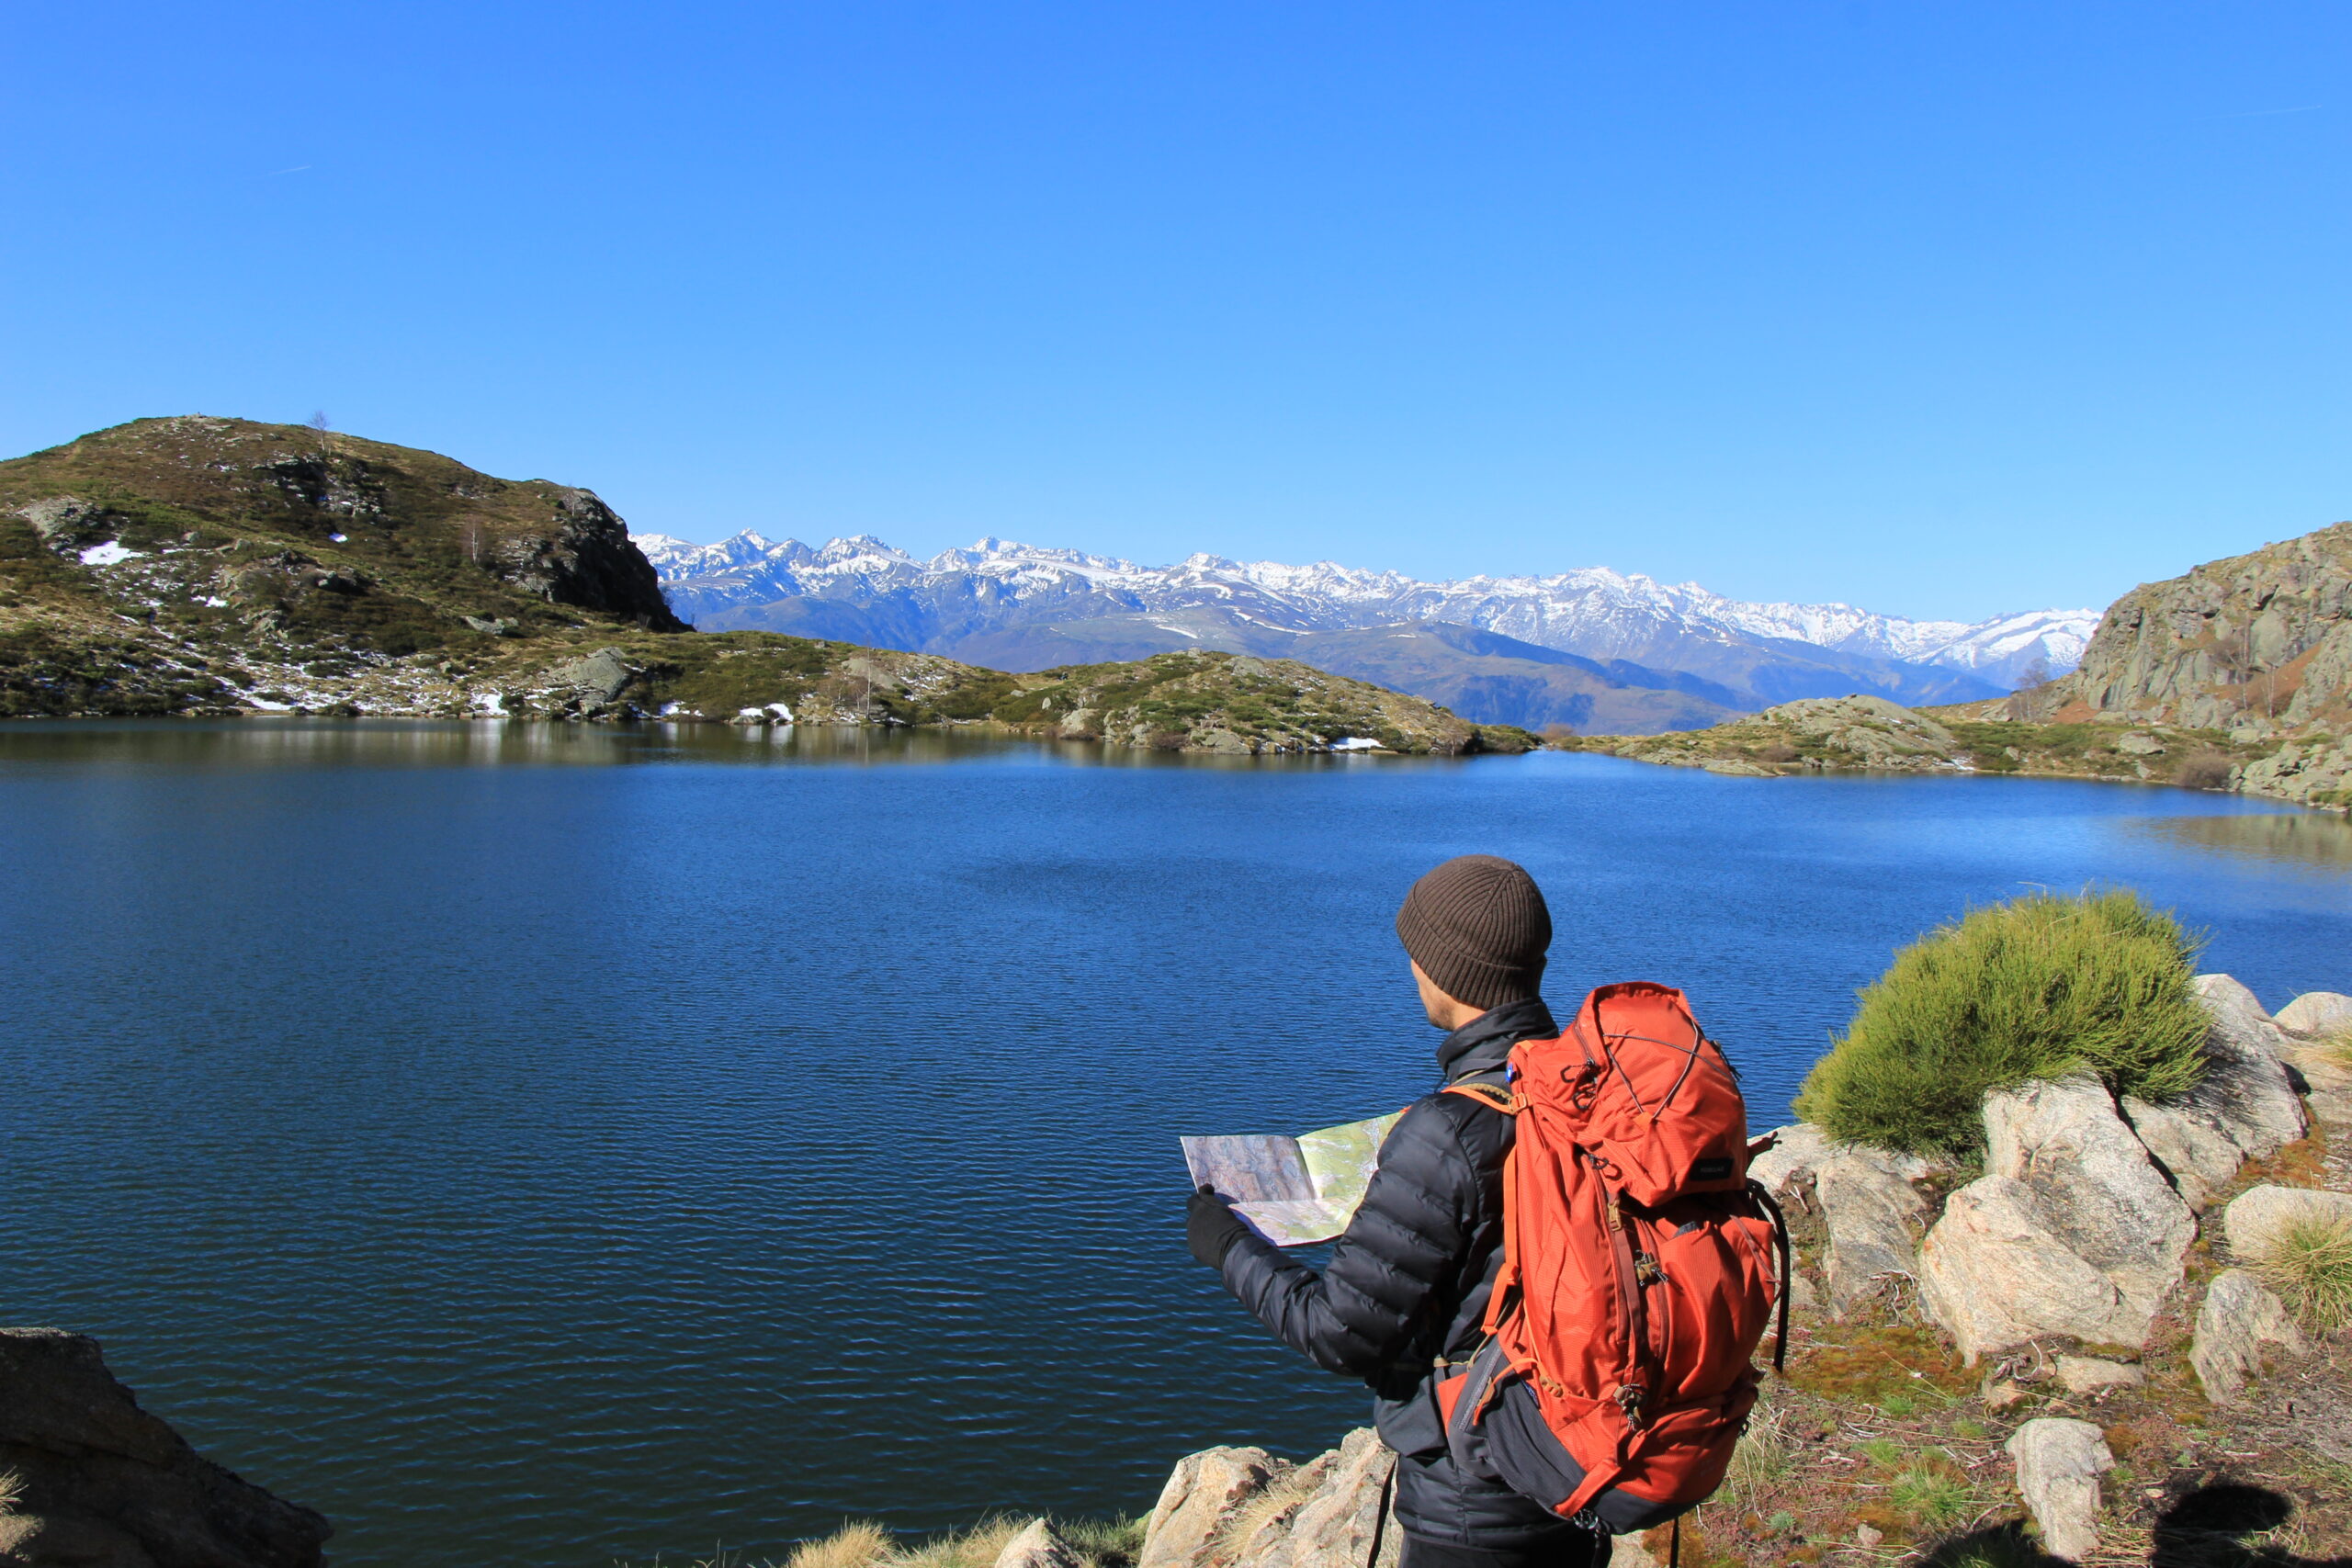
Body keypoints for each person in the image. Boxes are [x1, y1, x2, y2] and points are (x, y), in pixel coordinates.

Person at [1185, 854, 1610, 1568]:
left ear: (1450, 971)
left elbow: (1340, 1332)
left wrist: (1226, 1244)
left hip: (1479, 1501)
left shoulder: (1449, 1132)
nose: (1411, 970)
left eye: (1418, 955)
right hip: (1582, 1461)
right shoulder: (1587, 1084)